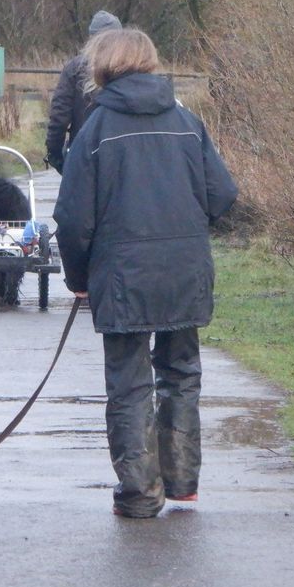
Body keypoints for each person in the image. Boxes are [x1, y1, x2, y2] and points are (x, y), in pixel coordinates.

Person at [53, 28, 238, 518]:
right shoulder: (187, 122)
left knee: (129, 383)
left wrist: (78, 278)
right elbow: (223, 195)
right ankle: (182, 481)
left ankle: (140, 493)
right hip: (183, 270)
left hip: (122, 276)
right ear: (151, 63)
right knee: (180, 374)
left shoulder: (93, 131)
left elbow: (73, 219)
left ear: (101, 68)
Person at [44, 10, 121, 173]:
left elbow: (59, 117)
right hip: (122, 157)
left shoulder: (75, 69)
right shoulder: (130, 69)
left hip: (83, 154)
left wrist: (55, 154)